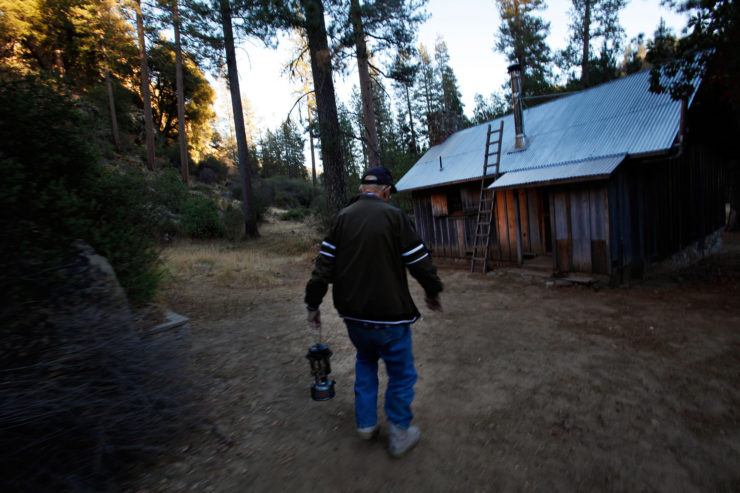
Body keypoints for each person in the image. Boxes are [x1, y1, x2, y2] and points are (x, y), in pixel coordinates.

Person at [304, 166, 443, 458]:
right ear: (387, 192)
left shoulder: (342, 219)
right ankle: (399, 433)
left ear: (361, 190)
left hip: (354, 317)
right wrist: (432, 290)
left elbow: (322, 268)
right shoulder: (394, 217)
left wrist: (312, 304)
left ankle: (366, 425)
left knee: (365, 362)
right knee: (402, 374)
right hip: (390, 316)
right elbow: (419, 261)